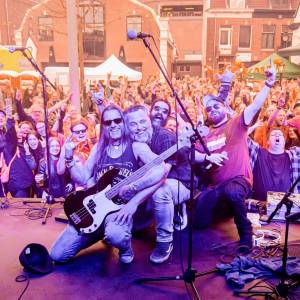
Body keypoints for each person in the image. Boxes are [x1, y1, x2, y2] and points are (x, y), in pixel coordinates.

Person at [50, 105, 166, 264]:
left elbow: (160, 170)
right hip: (93, 210)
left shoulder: (136, 146)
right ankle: (99, 233)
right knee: (57, 256)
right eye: (108, 122)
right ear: (103, 126)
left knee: (115, 235)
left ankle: (125, 248)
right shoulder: (99, 148)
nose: (113, 125)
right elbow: (83, 178)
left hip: (117, 211)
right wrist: (69, 158)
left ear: (123, 122)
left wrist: (134, 191)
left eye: (117, 120)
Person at [193, 64, 276, 251]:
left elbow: (255, 106)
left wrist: (268, 84)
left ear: (225, 107)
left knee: (232, 192)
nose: (212, 109)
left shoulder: (236, 123)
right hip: (215, 186)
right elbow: (192, 153)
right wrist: (206, 158)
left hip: (239, 180)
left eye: (216, 106)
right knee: (198, 222)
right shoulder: (206, 134)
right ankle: (226, 208)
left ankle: (245, 233)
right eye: (208, 109)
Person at [125, 104, 194, 263]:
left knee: (161, 191)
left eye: (142, 122)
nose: (139, 128)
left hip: (180, 182)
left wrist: (133, 191)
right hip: (150, 180)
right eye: (133, 124)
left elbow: (162, 175)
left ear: (148, 119)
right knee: (137, 228)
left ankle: (165, 241)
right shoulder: (133, 141)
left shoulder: (165, 137)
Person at [248, 127, 300, 201]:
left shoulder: (294, 155)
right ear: (268, 141)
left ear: (284, 141)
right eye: (273, 135)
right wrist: (253, 127)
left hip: (287, 208)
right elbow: (241, 137)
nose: (277, 136)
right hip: (259, 206)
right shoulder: (258, 152)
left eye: (280, 135)